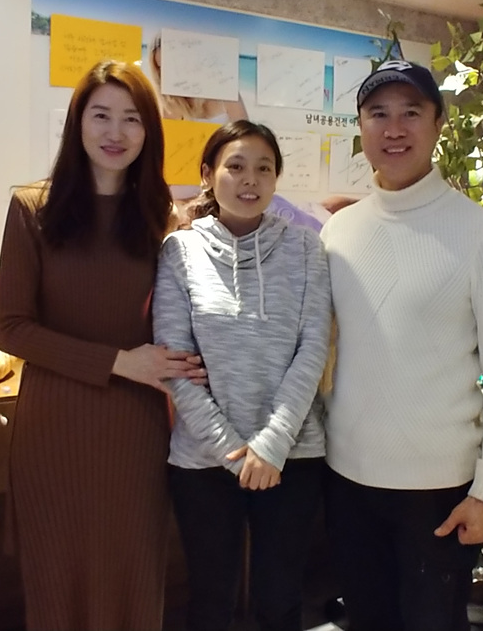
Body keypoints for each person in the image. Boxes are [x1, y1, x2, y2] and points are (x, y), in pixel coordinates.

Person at [320, 59, 483, 630]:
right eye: (378, 114)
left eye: (411, 113)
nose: (394, 129)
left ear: (438, 123)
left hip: (439, 491)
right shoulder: (339, 231)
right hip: (347, 479)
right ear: (361, 127)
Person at [0, 60, 205, 631]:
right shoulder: (32, 209)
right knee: (57, 584)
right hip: (54, 426)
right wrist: (118, 362)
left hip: (136, 430)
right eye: (101, 115)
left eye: (132, 118)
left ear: (149, 131)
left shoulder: (164, 219)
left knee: (133, 576)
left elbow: (183, 322)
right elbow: (10, 328)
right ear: (77, 123)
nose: (116, 132)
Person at [153, 120, 332, 631]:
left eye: (264, 168)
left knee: (281, 600)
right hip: (204, 461)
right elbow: (176, 362)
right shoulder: (179, 251)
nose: (250, 179)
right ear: (208, 174)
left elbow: (312, 349)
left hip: (292, 456)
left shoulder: (306, 249)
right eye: (235, 166)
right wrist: (234, 453)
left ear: (276, 178)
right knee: (211, 601)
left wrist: (271, 446)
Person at [148, 34, 249, 123]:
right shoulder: (168, 104)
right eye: (162, 69)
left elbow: (245, 133)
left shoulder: (225, 90)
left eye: (172, 64)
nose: (168, 74)